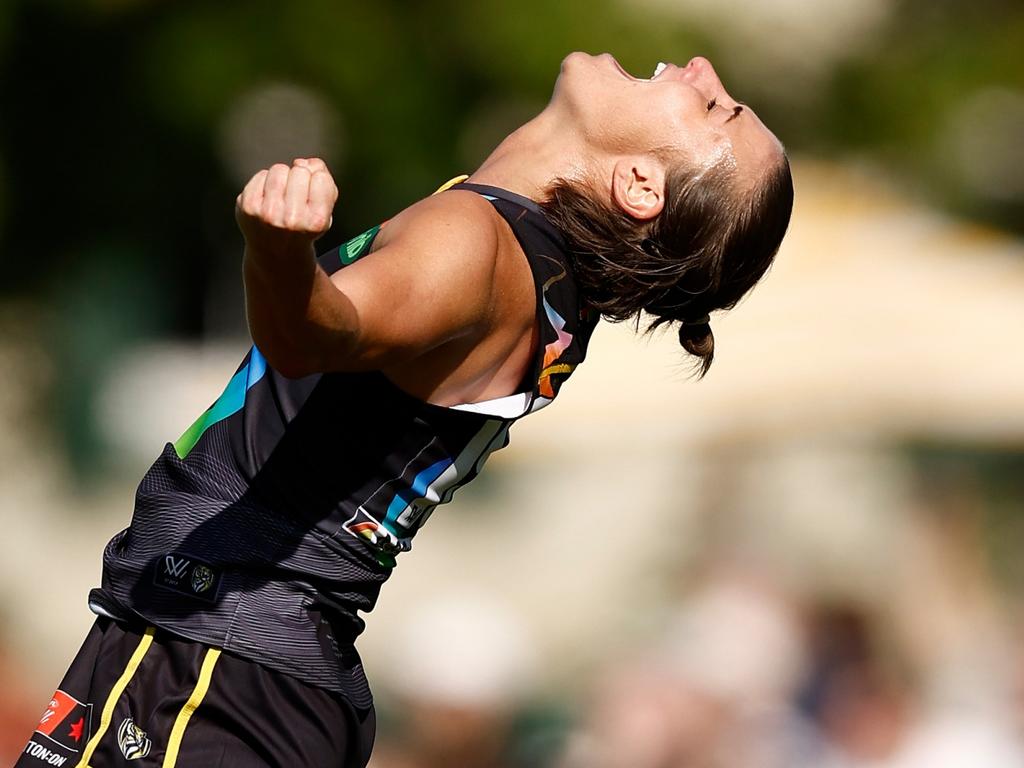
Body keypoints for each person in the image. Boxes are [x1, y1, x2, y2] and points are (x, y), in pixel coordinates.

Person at [17, 52, 793, 768]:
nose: (699, 68)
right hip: (249, 662)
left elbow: (315, 334)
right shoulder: (538, 274)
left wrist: (279, 252)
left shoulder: (478, 243)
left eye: (715, 108)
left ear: (639, 185)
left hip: (221, 656)